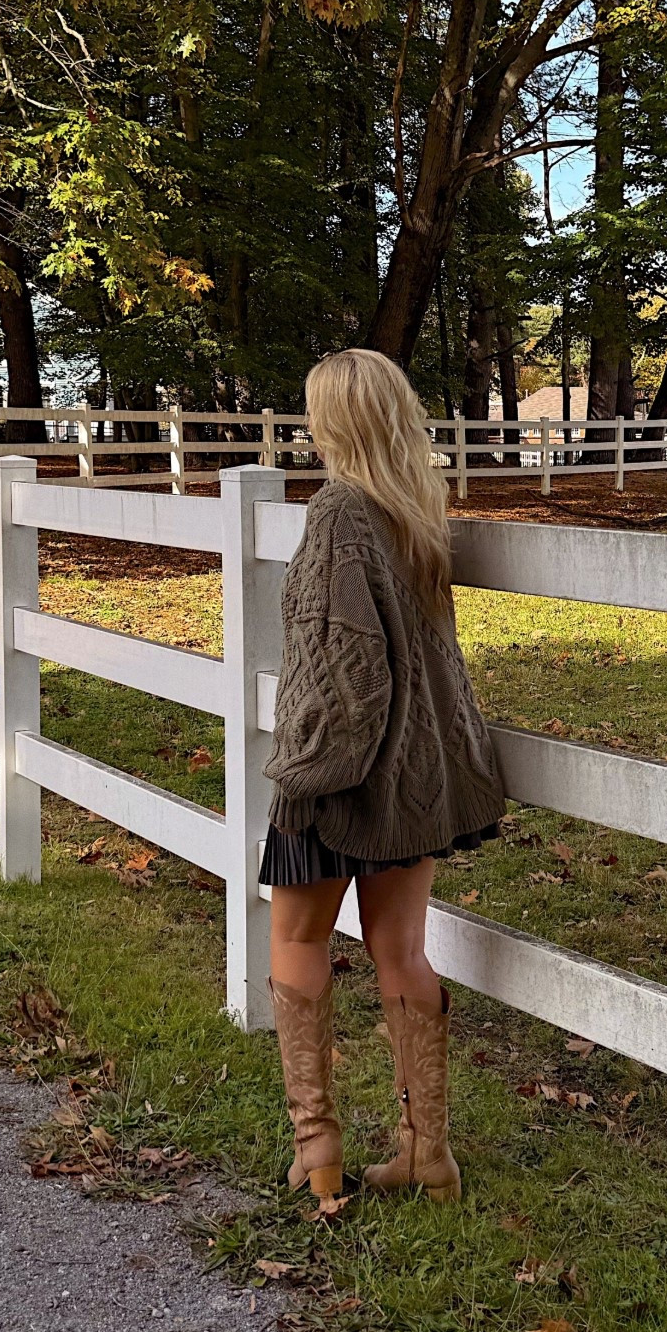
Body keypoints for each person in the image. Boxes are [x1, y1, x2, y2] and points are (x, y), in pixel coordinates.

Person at [261, 349, 504, 1204]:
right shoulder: (416, 513)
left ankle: (317, 1146)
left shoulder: (337, 512)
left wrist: (303, 774)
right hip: (415, 778)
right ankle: (427, 1155)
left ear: (335, 420)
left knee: (298, 941)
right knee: (400, 949)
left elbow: (341, 669)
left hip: (340, 778)